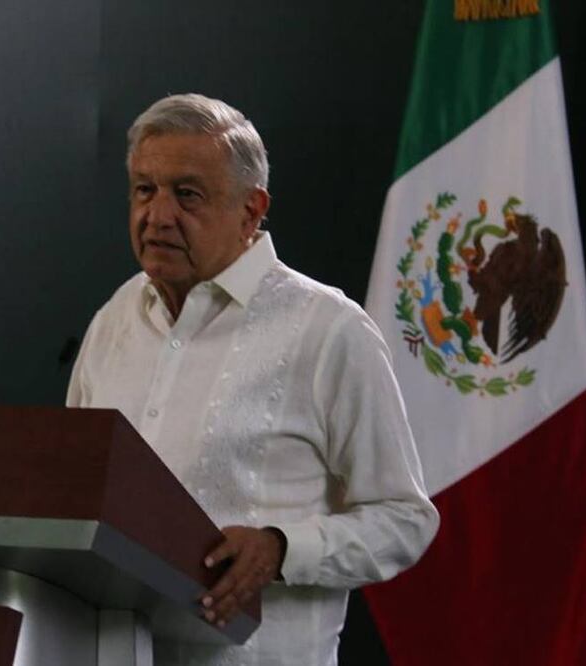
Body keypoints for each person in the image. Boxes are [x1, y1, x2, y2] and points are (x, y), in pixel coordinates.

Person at [67, 93, 438, 665]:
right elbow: (74, 495)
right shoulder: (114, 321)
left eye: (187, 194)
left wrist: (282, 550)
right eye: (144, 189)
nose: (158, 216)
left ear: (251, 210)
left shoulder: (328, 331)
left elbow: (406, 520)